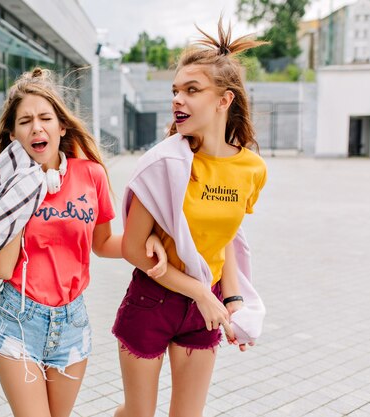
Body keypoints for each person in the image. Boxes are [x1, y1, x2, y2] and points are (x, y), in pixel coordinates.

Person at [0, 68, 167, 417]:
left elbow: (104, 242)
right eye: (25, 121)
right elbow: (3, 268)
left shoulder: (89, 175)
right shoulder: (3, 187)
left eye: (45, 118)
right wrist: (20, 194)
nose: (37, 127)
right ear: (14, 135)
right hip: (19, 319)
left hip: (72, 322)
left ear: (61, 127)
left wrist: (149, 241)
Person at [112, 20, 268, 417]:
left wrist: (231, 301)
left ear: (224, 100)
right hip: (152, 300)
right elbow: (133, 249)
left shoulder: (251, 168)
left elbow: (227, 238)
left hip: (207, 305)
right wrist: (200, 293)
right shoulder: (162, 163)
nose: (178, 100)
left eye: (192, 90)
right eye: (175, 91)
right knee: (137, 415)